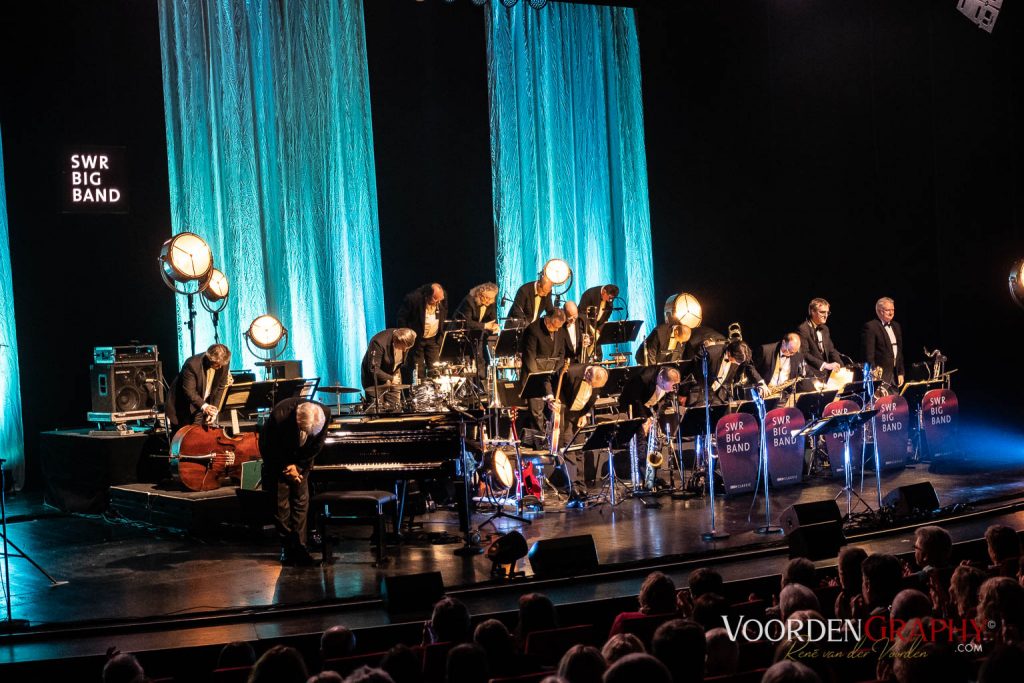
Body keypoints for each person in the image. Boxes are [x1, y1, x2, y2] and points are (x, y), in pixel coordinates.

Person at [260, 398, 329, 565]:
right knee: (280, 504)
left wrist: (298, 467)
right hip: (278, 459)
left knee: (301, 502)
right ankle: (287, 546)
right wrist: (286, 467)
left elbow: (317, 446)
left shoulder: (324, 414)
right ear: (297, 419)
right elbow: (267, 446)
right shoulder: (280, 415)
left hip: (302, 462)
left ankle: (300, 547)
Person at [552, 364, 609, 504]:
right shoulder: (572, 372)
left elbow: (592, 399)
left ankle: (581, 486)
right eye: (592, 384)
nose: (594, 388)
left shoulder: (599, 377)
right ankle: (572, 487)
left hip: (579, 414)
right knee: (568, 449)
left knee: (579, 450)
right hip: (565, 413)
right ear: (588, 375)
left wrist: (586, 414)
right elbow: (553, 383)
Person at [164, 343, 231, 432]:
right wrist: (205, 407)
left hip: (202, 405)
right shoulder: (192, 364)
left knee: (201, 438)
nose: (220, 367)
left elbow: (221, 386)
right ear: (210, 359)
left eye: (222, 364)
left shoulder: (223, 362)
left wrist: (214, 410)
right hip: (183, 406)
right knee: (185, 441)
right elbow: (189, 392)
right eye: (217, 364)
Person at [519, 310, 568, 432]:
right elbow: (529, 358)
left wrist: (555, 370)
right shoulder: (533, 330)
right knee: (537, 412)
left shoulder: (559, 329)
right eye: (554, 327)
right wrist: (540, 376)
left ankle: (551, 439)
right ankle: (539, 442)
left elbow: (562, 352)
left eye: (559, 328)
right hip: (534, 376)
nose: (556, 330)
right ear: (547, 320)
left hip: (552, 374)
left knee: (553, 409)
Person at [396, 283, 447, 383]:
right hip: (417, 339)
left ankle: (435, 393)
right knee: (419, 369)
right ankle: (421, 395)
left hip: (433, 339)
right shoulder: (413, 299)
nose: (438, 302)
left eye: (440, 299)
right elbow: (401, 318)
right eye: (435, 299)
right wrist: (407, 337)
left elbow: (443, 314)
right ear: (428, 295)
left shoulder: (441, 299)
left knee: (435, 368)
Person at [691, 339, 764, 405]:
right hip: (700, 393)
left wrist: (760, 382)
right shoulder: (711, 353)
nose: (738, 364)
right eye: (736, 361)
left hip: (718, 395)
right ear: (729, 353)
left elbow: (749, 366)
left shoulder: (740, 356)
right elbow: (691, 369)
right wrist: (683, 393)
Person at [360, 328, 417, 411]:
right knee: (377, 410)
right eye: (403, 347)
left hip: (394, 375)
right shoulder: (378, 342)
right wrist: (390, 378)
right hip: (375, 380)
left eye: (407, 348)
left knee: (395, 408)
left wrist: (394, 377)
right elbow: (373, 369)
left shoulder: (405, 341)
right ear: (397, 341)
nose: (405, 350)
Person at [862, 296, 904, 386]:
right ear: (880, 311)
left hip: (895, 375)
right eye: (888, 310)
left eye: (893, 310)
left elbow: (899, 352)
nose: (891, 313)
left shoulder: (896, 326)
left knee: (895, 400)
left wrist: (900, 372)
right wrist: (873, 373)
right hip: (880, 376)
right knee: (881, 400)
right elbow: (869, 354)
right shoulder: (871, 327)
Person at [798, 298, 844, 378]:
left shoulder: (825, 329)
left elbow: (831, 350)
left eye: (827, 313)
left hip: (825, 374)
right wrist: (825, 365)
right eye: (822, 312)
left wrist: (842, 367)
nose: (826, 316)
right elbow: (804, 354)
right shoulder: (803, 329)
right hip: (811, 374)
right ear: (812, 312)